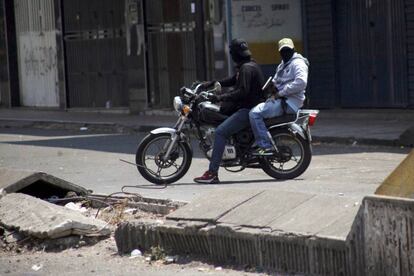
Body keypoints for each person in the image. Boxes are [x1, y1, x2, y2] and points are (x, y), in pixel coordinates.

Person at [194, 38, 265, 184]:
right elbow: (232, 80)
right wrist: (212, 83)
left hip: (247, 110)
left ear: (234, 53)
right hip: (247, 108)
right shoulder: (249, 66)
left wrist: (219, 97)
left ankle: (213, 173)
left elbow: (242, 92)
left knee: (220, 131)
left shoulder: (246, 68)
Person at [249, 38, 309, 155]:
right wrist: (271, 88)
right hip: (281, 99)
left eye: (288, 50)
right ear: (280, 52)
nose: (285, 53)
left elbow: (301, 82)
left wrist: (280, 93)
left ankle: (265, 146)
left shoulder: (298, 63)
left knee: (254, 114)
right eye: (283, 51)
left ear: (293, 50)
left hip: (289, 102)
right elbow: (277, 81)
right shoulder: (283, 65)